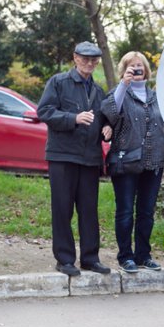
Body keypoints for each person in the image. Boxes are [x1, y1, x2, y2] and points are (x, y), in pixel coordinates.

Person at [37, 41, 112, 276]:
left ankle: (90, 258)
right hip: (62, 156)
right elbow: (45, 112)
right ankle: (65, 259)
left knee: (89, 211)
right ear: (75, 58)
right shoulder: (58, 82)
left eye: (94, 59)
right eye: (85, 58)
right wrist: (73, 118)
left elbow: (102, 120)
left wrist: (107, 128)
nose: (89, 63)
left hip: (90, 158)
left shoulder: (99, 91)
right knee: (62, 209)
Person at [101, 51, 164, 273]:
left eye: (140, 66)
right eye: (132, 66)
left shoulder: (158, 96)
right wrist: (124, 83)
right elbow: (109, 112)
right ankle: (125, 256)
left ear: (147, 70)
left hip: (153, 163)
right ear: (124, 70)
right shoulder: (119, 93)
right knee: (125, 211)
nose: (137, 70)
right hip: (125, 163)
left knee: (147, 212)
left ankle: (143, 255)